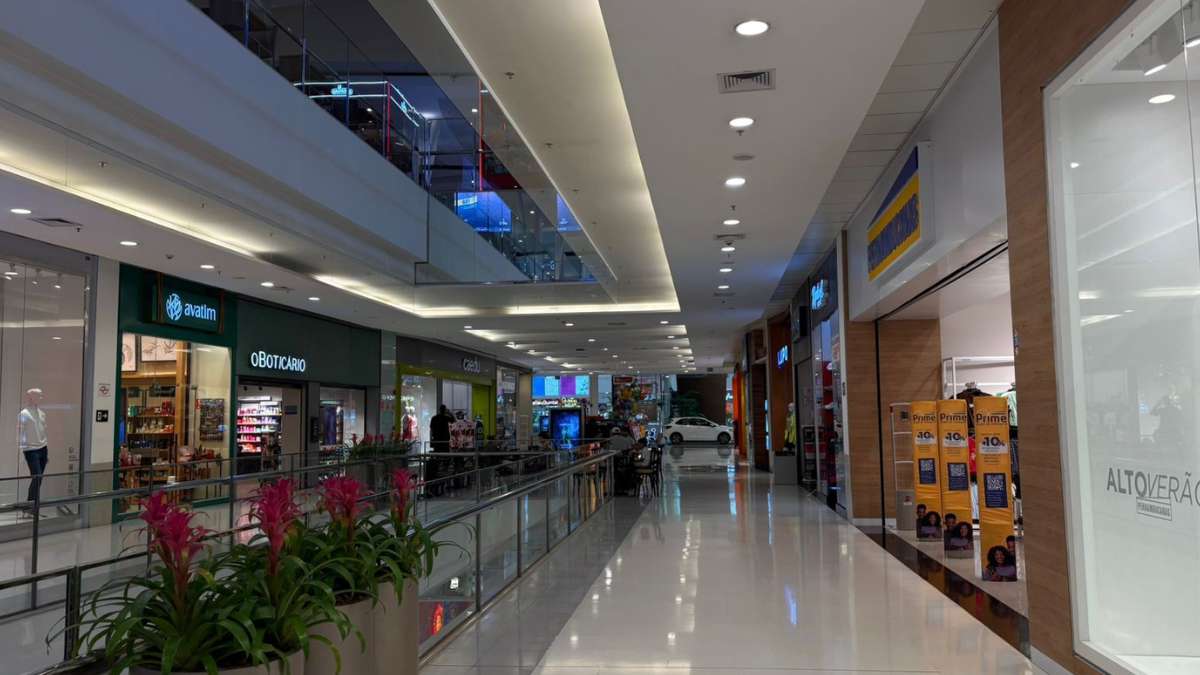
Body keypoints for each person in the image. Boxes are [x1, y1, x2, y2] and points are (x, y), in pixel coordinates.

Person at [18, 388, 48, 511]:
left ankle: (31, 506)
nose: (41, 398)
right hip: (31, 450)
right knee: (37, 476)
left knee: (39, 478)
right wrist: (22, 452)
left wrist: (45, 450)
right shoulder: (23, 414)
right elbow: (21, 434)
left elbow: (43, 431)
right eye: (38, 396)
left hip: (43, 448)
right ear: (31, 397)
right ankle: (30, 506)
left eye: (41, 395)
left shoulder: (42, 413)